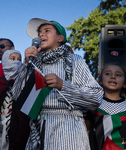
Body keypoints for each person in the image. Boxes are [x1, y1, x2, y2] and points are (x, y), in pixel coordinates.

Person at [12, 18, 104, 150]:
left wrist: (63, 85)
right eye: (39, 33)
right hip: (38, 129)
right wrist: (26, 65)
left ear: (60, 38)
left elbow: (96, 98)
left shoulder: (75, 60)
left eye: (47, 31)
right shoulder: (33, 63)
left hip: (68, 129)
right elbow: (16, 96)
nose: (41, 35)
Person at [85, 63, 126, 150]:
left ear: (124, 84)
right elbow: (85, 131)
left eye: (118, 75)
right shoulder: (93, 105)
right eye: (108, 73)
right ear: (100, 81)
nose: (113, 76)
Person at [0, 50, 22, 150]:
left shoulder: (22, 82)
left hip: (15, 128)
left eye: (19, 60)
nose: (16, 62)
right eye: (12, 59)